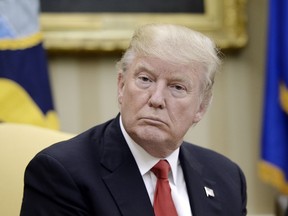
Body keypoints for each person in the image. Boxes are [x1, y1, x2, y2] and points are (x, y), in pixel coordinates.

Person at [20, 23, 247, 216]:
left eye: (177, 87)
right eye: (145, 79)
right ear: (121, 85)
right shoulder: (61, 173)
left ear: (201, 106)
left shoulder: (227, 178)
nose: (156, 99)